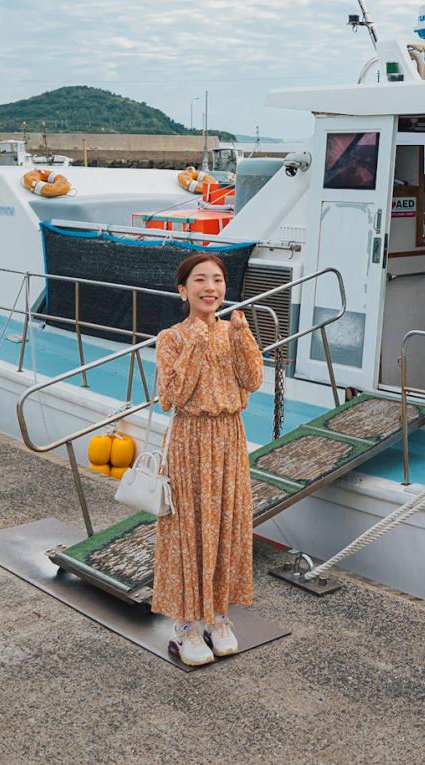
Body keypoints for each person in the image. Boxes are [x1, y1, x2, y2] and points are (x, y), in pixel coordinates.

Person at [152, 251, 263, 666]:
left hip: (230, 436)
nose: (210, 288)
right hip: (190, 440)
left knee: (227, 525)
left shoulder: (231, 331)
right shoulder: (171, 338)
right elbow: (173, 396)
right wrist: (197, 340)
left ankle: (219, 616)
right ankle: (185, 626)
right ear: (183, 290)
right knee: (189, 529)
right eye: (200, 280)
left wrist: (244, 337)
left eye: (216, 279)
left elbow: (252, 382)